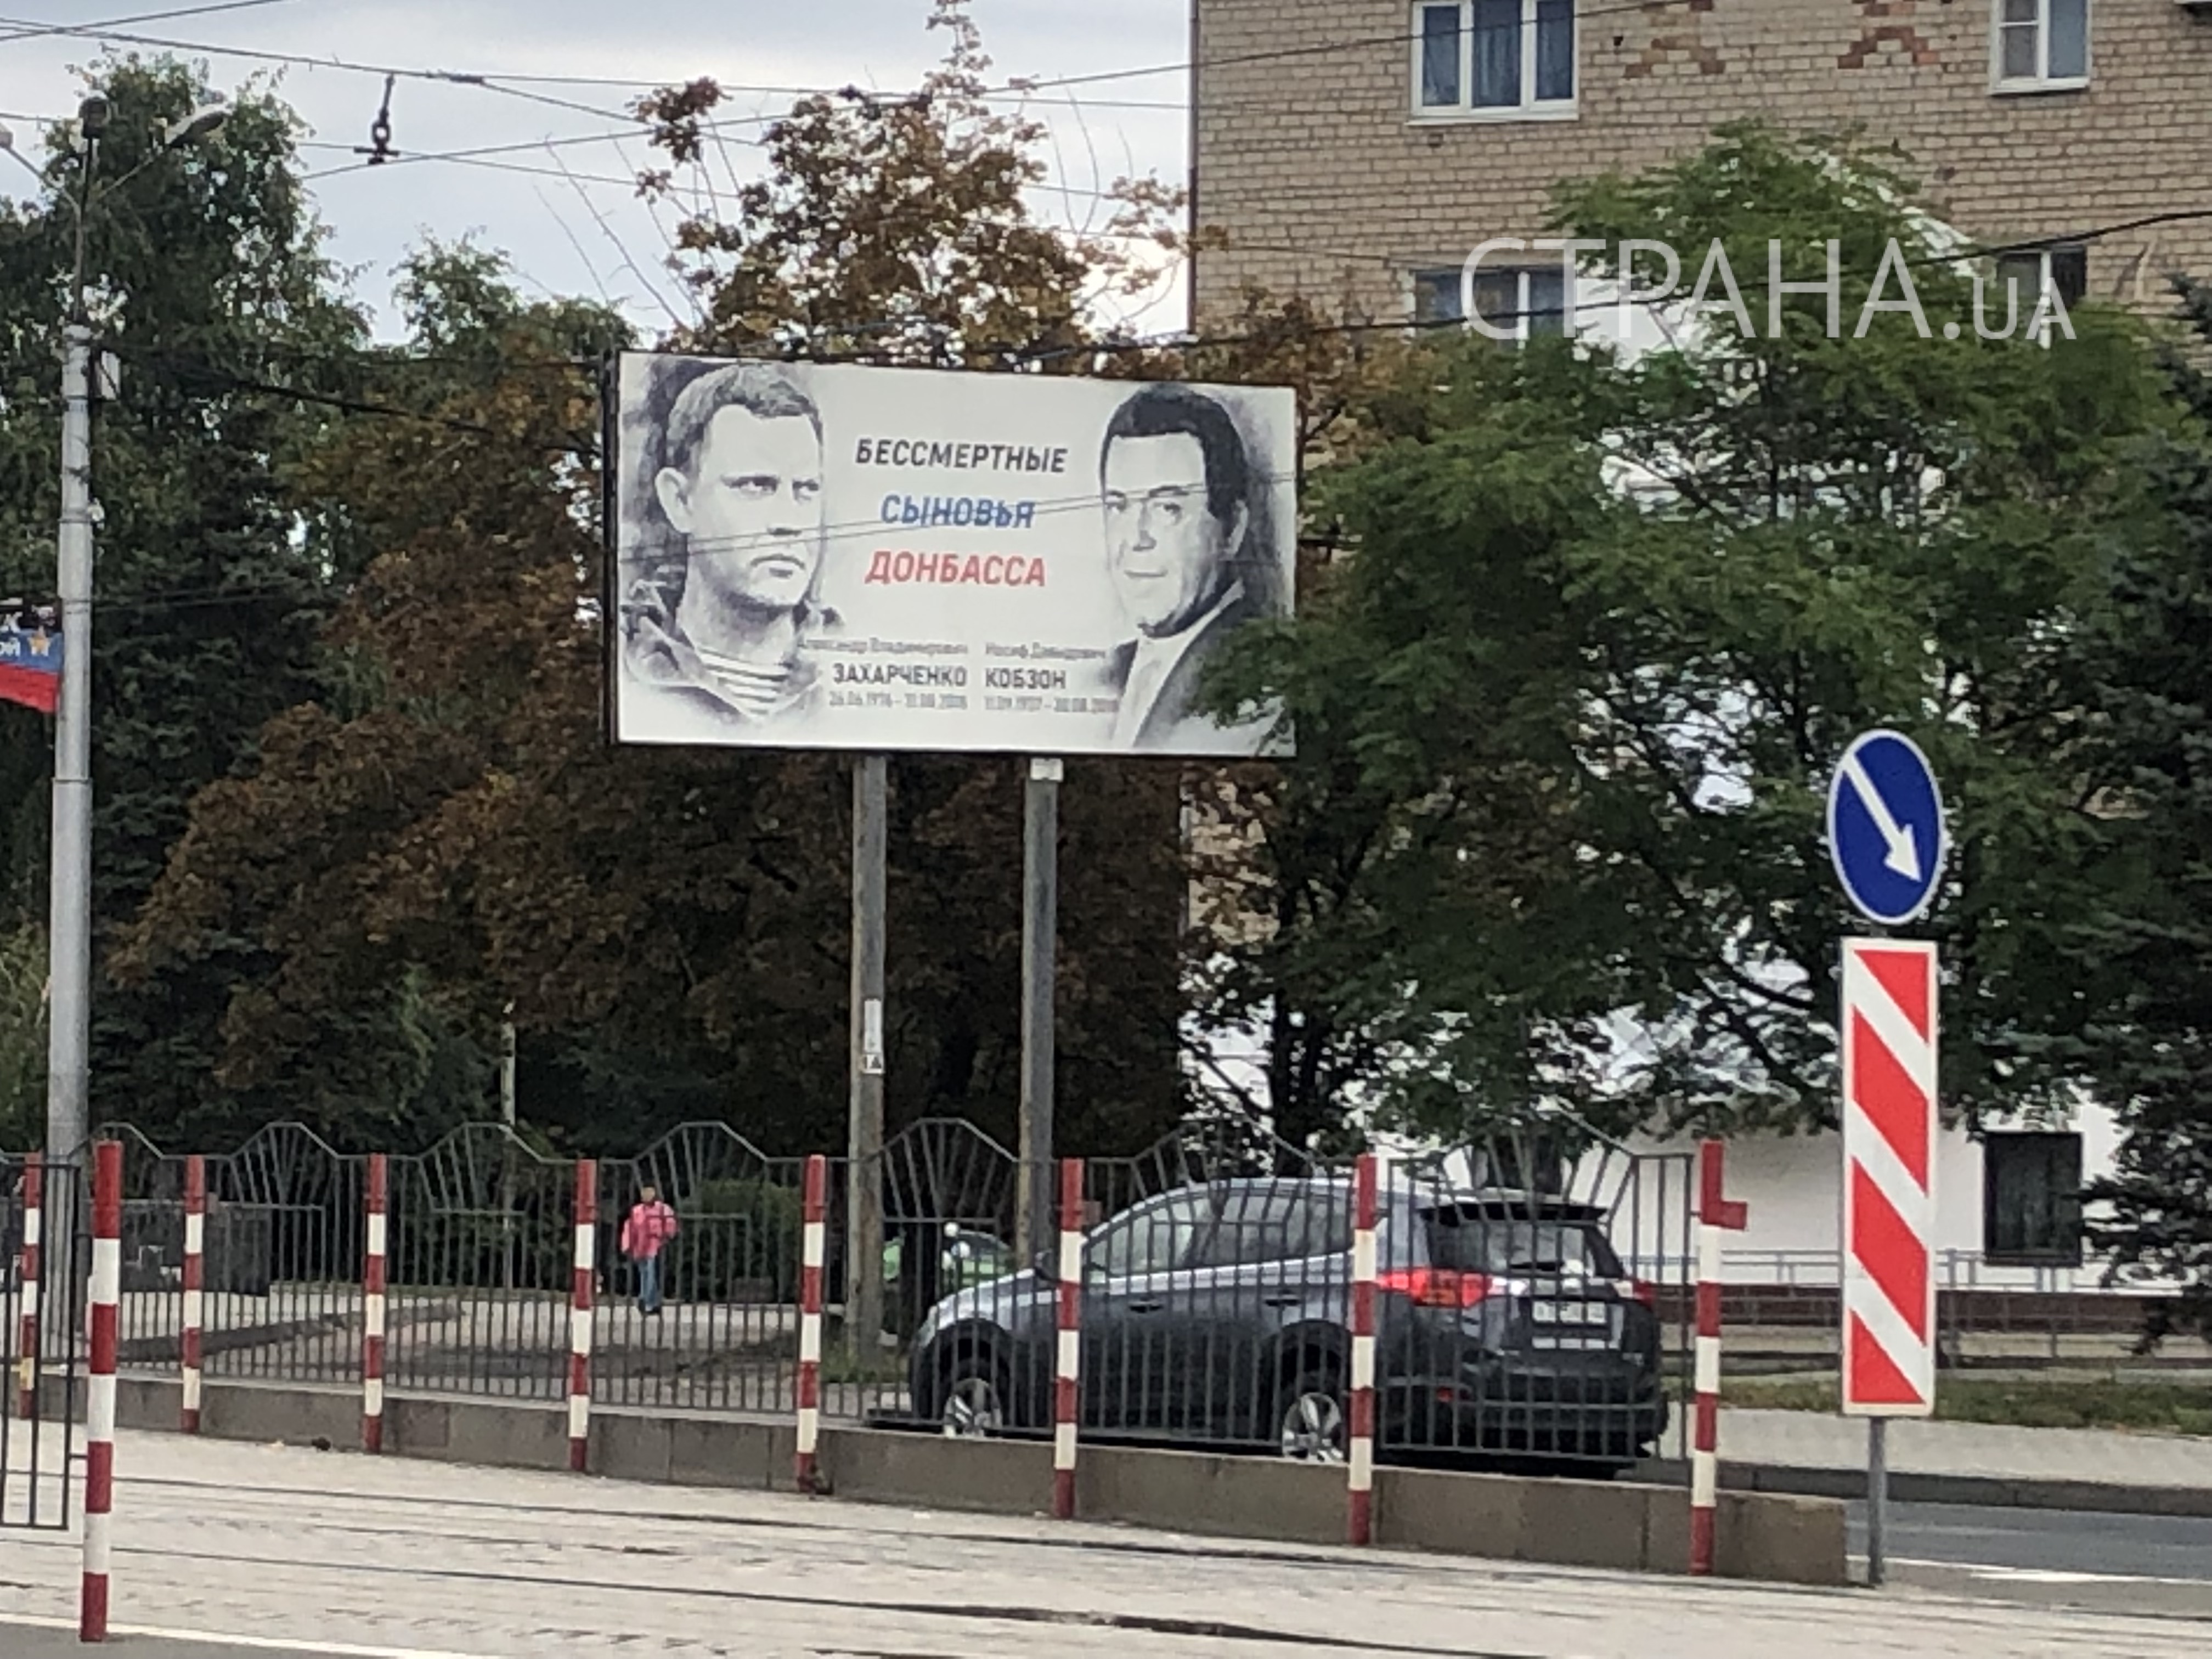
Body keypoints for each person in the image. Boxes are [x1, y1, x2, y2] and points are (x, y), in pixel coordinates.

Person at [618, 360, 840, 736]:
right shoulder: (631, 667)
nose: (788, 521)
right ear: (679, 500)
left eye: (806, 489)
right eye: (755, 486)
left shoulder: (851, 667)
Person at [1095, 382, 1281, 752]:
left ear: (1232, 528)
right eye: (1118, 506)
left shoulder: (1259, 674)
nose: (1137, 538)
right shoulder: (1113, 670)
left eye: (1168, 508)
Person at [620, 1184, 680, 1317]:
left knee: (651, 1274)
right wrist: (628, 1245)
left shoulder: (662, 1209)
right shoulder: (637, 1211)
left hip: (655, 1246)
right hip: (640, 1246)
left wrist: (665, 1236)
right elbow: (630, 1228)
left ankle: (646, 1300)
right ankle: (651, 1302)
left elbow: (670, 1226)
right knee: (646, 1274)